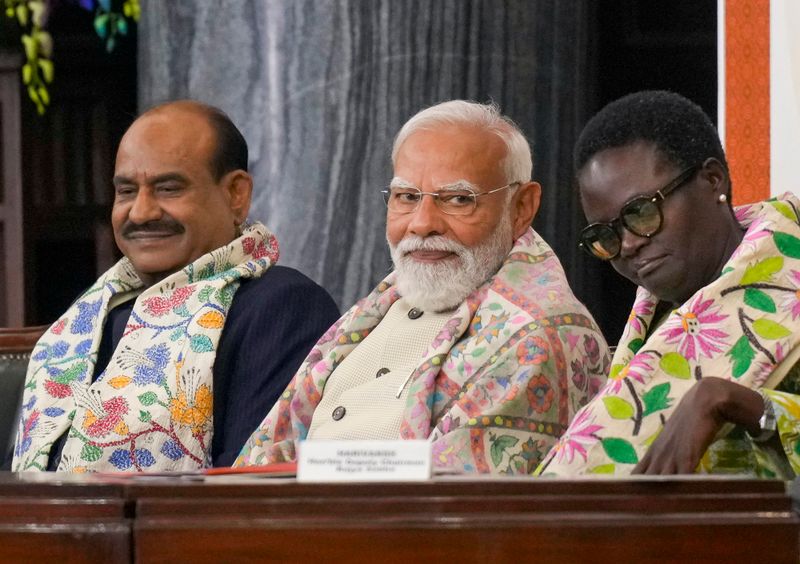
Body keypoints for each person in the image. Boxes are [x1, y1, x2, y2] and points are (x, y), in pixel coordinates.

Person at [234, 100, 609, 474]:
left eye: (459, 199)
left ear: (522, 207)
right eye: (407, 197)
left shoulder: (541, 334)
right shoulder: (377, 307)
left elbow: (455, 490)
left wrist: (304, 473)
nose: (422, 224)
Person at [10, 101, 340, 472]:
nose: (141, 212)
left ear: (236, 194)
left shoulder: (281, 306)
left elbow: (249, 483)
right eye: (126, 191)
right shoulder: (91, 315)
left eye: (168, 188)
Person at [537, 90, 800, 478]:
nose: (628, 244)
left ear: (713, 180)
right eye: (606, 235)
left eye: (641, 212)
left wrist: (739, 404)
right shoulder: (648, 329)